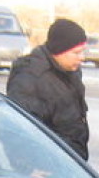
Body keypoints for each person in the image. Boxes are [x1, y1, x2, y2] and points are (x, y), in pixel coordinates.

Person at [6, 18, 89, 160]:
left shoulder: (70, 72)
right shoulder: (31, 79)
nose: (82, 58)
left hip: (71, 162)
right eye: (76, 53)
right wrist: (30, 168)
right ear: (59, 50)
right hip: (47, 167)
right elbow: (16, 132)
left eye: (83, 52)